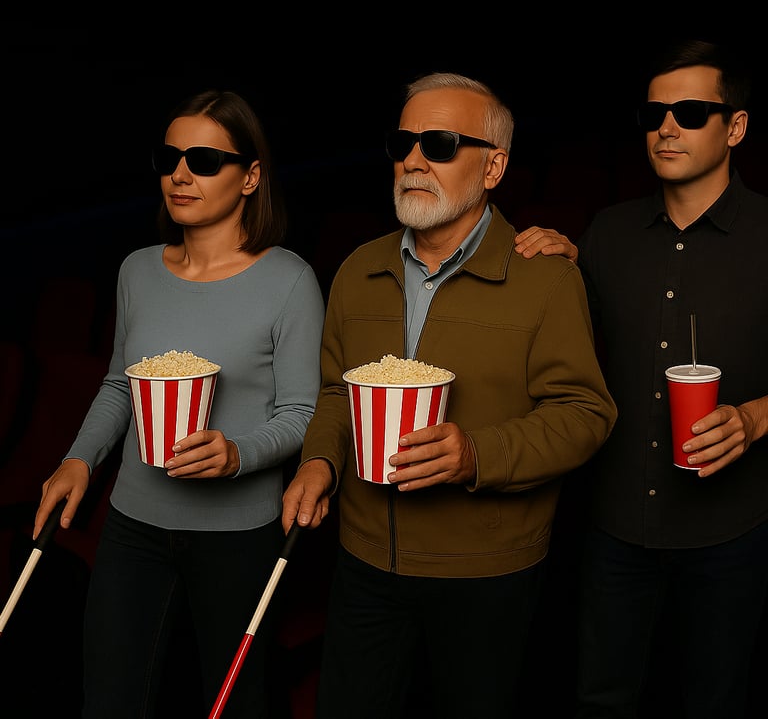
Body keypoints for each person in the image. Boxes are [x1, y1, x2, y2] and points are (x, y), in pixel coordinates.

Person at [281, 71, 617, 719]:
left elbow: (586, 413)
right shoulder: (357, 269)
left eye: (438, 144)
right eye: (402, 143)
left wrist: (475, 456)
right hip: (364, 563)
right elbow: (335, 392)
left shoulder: (546, 280)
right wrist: (319, 462)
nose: (412, 160)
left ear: (493, 167)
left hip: (487, 575)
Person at [32, 89, 325, 718]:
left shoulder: (291, 280)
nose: (180, 174)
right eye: (170, 159)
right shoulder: (137, 270)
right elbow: (120, 384)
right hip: (133, 524)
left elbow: (302, 412)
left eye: (204, 160)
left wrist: (237, 454)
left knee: (235, 705)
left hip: (240, 534)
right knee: (109, 701)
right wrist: (79, 460)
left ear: (251, 176)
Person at [515, 39, 768, 719]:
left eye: (691, 112)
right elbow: (574, 350)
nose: (667, 128)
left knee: (715, 701)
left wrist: (754, 418)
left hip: (731, 532)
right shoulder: (607, 233)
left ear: (736, 127)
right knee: (600, 699)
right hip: (615, 527)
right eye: (655, 115)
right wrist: (559, 272)